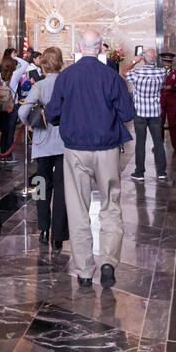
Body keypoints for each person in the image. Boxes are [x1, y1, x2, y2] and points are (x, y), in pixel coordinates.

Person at [46, 27, 135, 287]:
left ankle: (84, 270)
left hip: (75, 150)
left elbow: (52, 113)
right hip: (106, 148)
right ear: (100, 48)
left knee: (77, 209)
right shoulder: (111, 76)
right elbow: (127, 112)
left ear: (79, 46)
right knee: (110, 205)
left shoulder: (66, 76)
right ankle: (108, 262)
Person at [19, 46, 67, 248]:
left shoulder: (39, 86)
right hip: (64, 143)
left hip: (42, 143)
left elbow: (23, 111)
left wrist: (29, 125)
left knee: (40, 186)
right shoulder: (66, 85)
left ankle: (44, 229)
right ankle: (58, 234)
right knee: (63, 189)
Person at [124, 48, 168, 183]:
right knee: (158, 142)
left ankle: (140, 172)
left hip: (140, 112)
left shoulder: (137, 72)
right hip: (155, 112)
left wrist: (133, 61)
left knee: (140, 143)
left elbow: (124, 72)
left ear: (144, 58)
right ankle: (161, 172)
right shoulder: (162, 73)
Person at [159, 51, 176, 156]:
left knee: (173, 123)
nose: (167, 64)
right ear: (162, 61)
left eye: (169, 62)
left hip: (173, 101)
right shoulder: (157, 72)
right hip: (160, 101)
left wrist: (172, 87)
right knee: (159, 123)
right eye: (165, 61)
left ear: (171, 62)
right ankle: (158, 145)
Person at [0, 53, 17, 162]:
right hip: (12, 106)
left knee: (4, 131)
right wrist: (15, 57)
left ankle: (3, 154)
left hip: (1, 106)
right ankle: (9, 155)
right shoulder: (15, 75)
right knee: (11, 131)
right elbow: (25, 64)